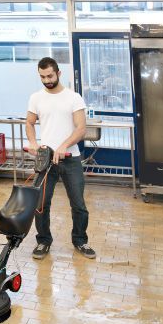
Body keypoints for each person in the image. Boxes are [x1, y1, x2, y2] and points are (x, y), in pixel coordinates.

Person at [26, 57, 96, 260]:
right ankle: (43, 241)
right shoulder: (36, 98)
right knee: (41, 204)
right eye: (42, 77)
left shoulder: (73, 98)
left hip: (70, 159)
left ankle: (80, 241)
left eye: (50, 76)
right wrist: (32, 142)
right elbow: (30, 123)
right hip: (46, 160)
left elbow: (81, 128)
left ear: (59, 73)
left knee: (78, 205)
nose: (47, 80)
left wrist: (64, 145)